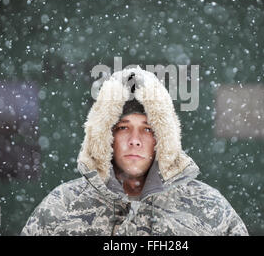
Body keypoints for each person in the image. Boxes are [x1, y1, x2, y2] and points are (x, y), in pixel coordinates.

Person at [21, 67, 248, 235]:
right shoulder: (62, 206)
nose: (135, 140)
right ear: (106, 136)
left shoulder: (209, 207)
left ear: (162, 138)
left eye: (147, 129)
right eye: (123, 128)